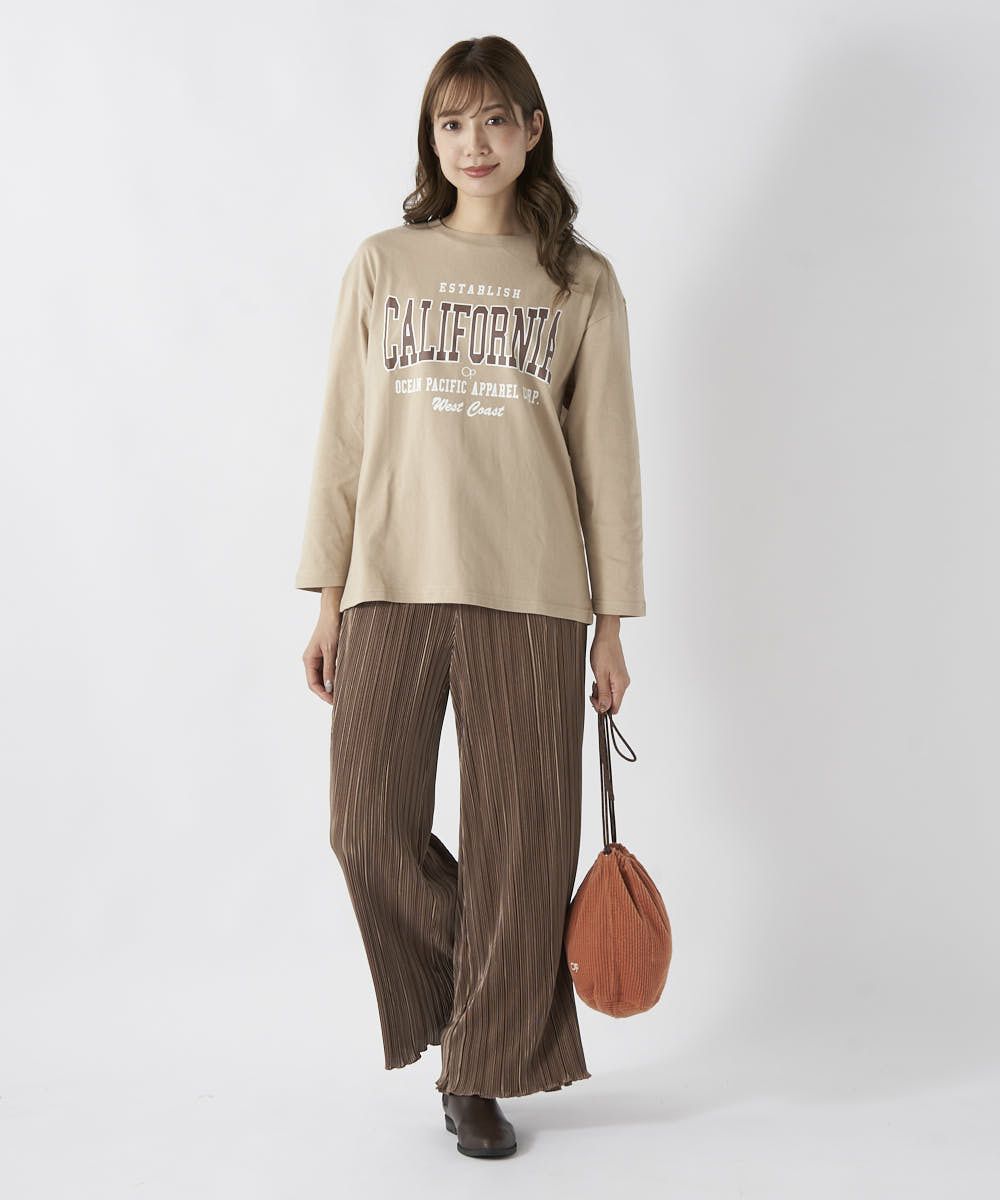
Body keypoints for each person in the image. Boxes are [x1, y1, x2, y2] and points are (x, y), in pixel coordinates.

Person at [295, 35, 646, 1159]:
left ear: (532, 129)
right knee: (365, 829)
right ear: (431, 140)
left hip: (533, 594)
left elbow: (607, 462)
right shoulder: (384, 264)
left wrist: (612, 626)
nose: (474, 143)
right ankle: (487, 1005)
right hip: (391, 585)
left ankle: (481, 1070)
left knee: (521, 846)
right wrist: (327, 596)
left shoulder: (579, 281)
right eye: (452, 124)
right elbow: (343, 441)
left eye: (495, 119)